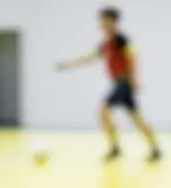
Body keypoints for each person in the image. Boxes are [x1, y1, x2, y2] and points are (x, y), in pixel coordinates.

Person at [57, 7, 162, 163]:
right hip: (119, 83)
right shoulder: (107, 43)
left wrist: (134, 79)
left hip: (123, 83)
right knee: (136, 118)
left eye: (105, 20)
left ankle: (115, 148)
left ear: (113, 21)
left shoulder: (121, 39)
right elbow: (90, 57)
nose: (102, 23)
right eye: (101, 20)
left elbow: (132, 56)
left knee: (104, 110)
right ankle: (155, 149)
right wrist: (69, 64)